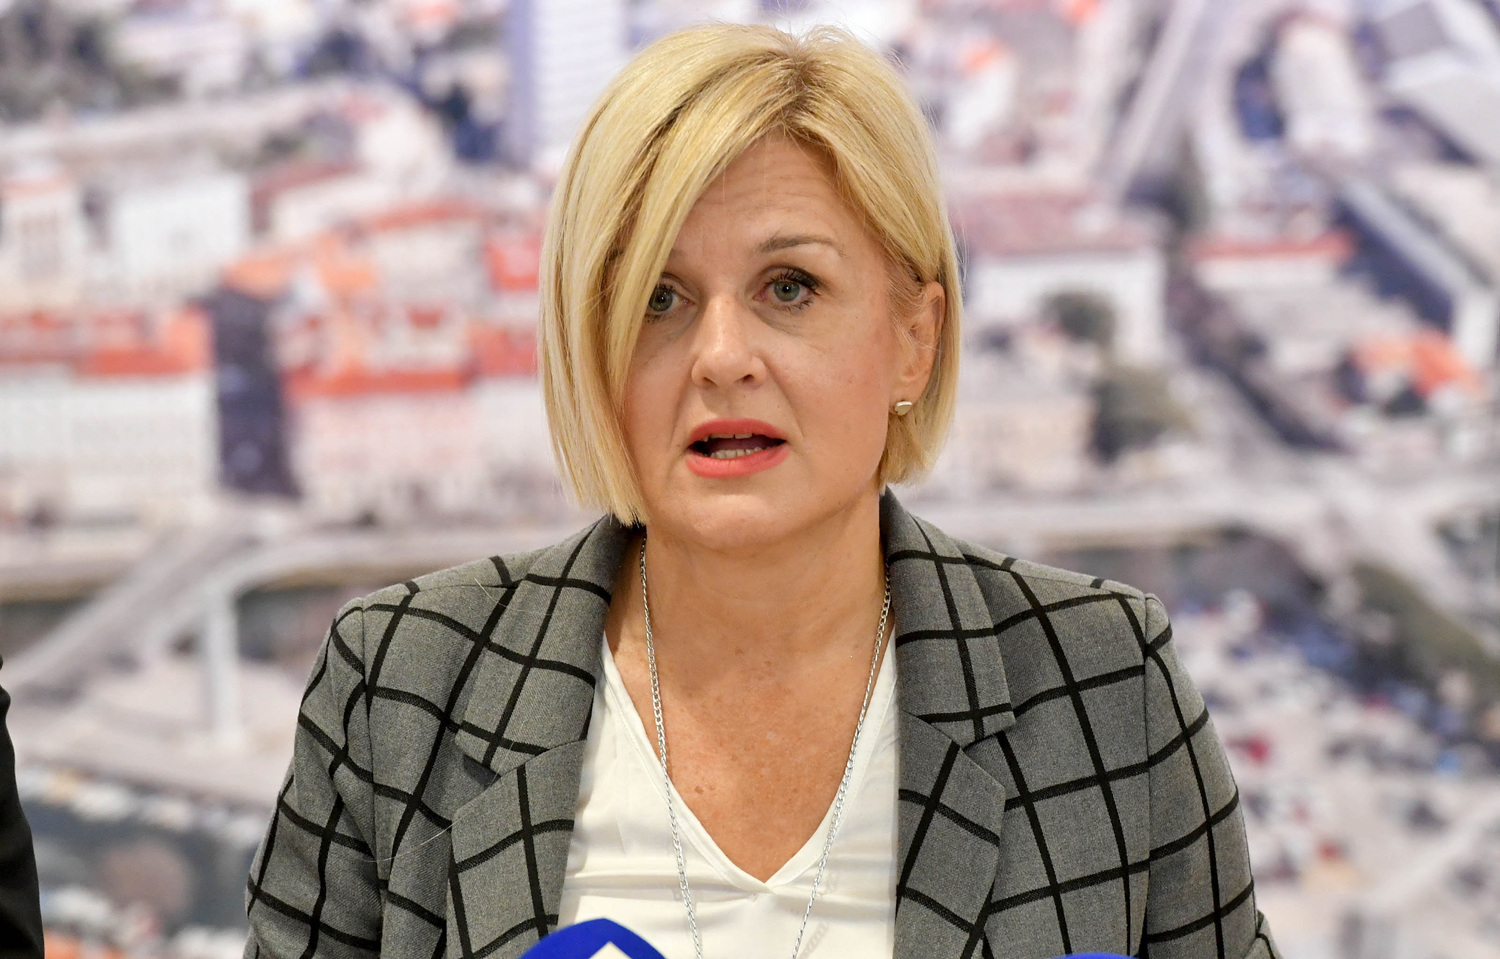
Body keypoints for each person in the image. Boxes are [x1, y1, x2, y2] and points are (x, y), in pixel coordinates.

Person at [245, 23, 1279, 959]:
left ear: (913, 340)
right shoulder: (402, 687)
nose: (720, 355)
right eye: (657, 295)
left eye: (790, 287)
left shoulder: (1107, 682)